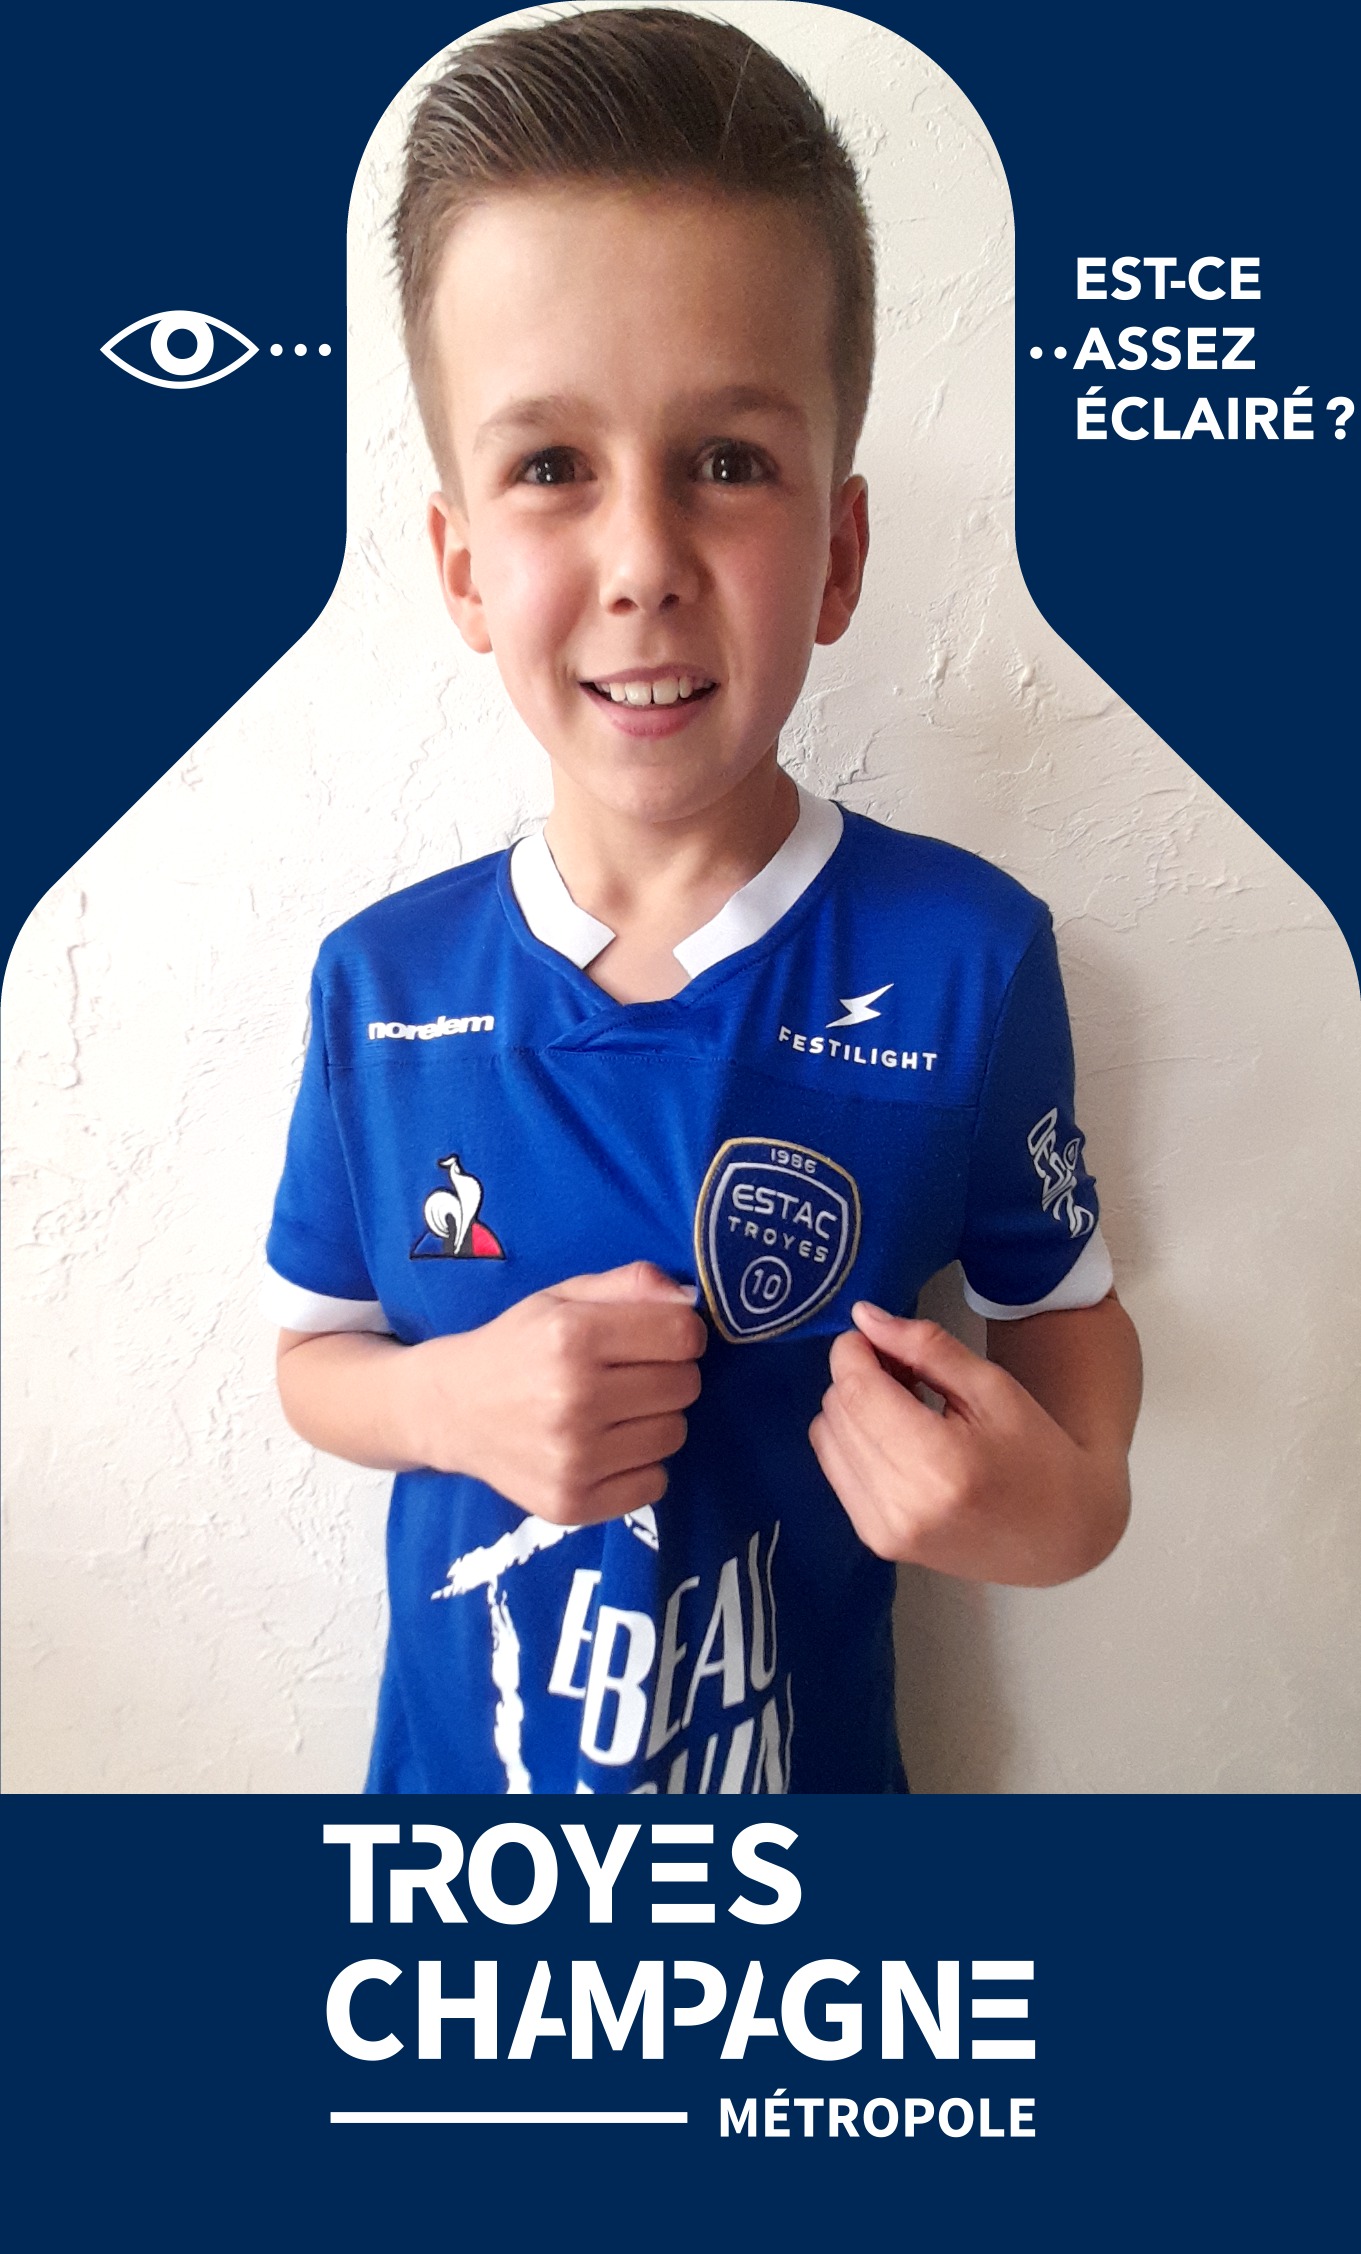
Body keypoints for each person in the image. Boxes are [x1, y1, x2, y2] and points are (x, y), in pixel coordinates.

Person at [264, 7, 1142, 1795]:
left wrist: (1069, 1505)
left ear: (837, 553)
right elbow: (314, 1351)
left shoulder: (964, 962)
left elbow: (1063, 1311)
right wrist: (444, 1402)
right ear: (460, 568)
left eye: (727, 461)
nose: (644, 562)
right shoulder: (381, 985)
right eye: (550, 467)